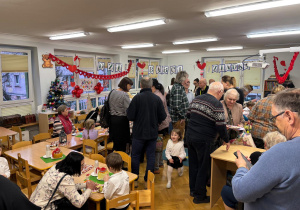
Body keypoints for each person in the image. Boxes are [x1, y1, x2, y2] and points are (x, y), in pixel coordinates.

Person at [231, 89, 300, 210]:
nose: (275, 124)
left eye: (275, 118)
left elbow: (241, 192)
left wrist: (242, 167)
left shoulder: (280, 152)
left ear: (289, 117)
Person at [186, 82, 230, 204]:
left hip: (190, 136)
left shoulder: (197, 98)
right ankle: (199, 196)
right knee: (203, 168)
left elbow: (188, 114)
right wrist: (226, 140)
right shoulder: (216, 104)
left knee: (193, 165)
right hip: (204, 139)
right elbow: (221, 125)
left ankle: (193, 190)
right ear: (220, 92)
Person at [127, 77, 166, 186]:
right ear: (151, 85)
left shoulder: (136, 98)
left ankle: (134, 180)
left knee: (135, 156)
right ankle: (147, 180)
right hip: (152, 133)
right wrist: (155, 121)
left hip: (138, 133)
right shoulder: (157, 99)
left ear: (141, 85)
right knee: (151, 157)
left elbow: (130, 116)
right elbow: (163, 116)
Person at [30, 152, 97, 210]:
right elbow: (79, 203)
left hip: (33, 204)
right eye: (82, 165)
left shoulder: (57, 167)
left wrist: (86, 185)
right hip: (44, 207)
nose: (83, 167)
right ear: (74, 166)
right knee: (83, 204)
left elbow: (68, 188)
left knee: (78, 193)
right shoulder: (65, 178)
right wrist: (89, 188)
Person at [151, 79, 171, 174]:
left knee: (157, 147)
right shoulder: (160, 94)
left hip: (160, 124)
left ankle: (156, 167)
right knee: (159, 145)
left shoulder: (156, 96)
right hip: (164, 123)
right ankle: (160, 163)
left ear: (152, 86)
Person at [109, 77, 132, 152]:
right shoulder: (124, 95)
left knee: (116, 143)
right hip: (121, 121)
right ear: (125, 85)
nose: (130, 87)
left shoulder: (112, 92)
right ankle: (120, 161)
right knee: (122, 143)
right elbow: (128, 109)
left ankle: (113, 159)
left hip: (112, 120)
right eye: (130, 85)